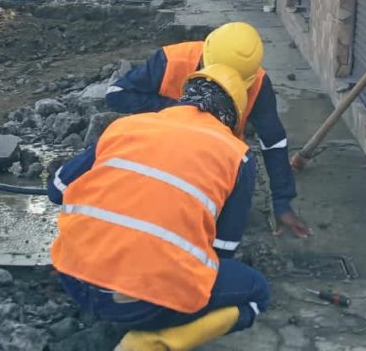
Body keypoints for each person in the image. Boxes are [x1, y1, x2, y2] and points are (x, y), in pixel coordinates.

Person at [50, 65, 269, 350]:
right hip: (144, 305)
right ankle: (153, 342)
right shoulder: (237, 155)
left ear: (185, 96)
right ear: (233, 116)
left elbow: (56, 190)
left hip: (75, 280)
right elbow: (222, 249)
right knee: (257, 292)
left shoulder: (127, 125)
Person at [105, 22, 313, 239]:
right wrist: (181, 109)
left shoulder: (258, 84)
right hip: (159, 151)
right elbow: (116, 94)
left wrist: (282, 202)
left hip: (212, 163)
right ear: (204, 58)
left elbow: (274, 142)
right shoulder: (172, 61)